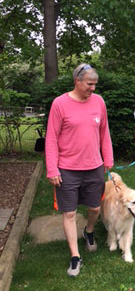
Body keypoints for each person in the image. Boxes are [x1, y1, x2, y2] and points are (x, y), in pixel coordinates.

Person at [45, 63, 113, 277]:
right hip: (67, 169)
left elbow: (104, 132)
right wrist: (52, 169)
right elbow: (52, 138)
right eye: (89, 84)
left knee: (94, 208)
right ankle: (75, 257)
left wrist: (108, 159)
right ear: (77, 81)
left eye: (95, 84)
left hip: (94, 167)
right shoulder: (60, 104)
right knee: (70, 212)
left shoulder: (99, 102)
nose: (93, 88)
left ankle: (89, 231)